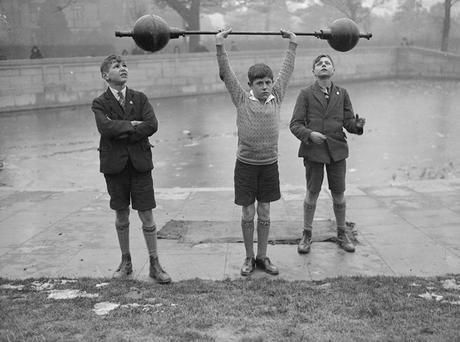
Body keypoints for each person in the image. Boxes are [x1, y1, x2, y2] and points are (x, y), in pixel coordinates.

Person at [216, 28, 297, 276]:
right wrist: (220, 45)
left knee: (265, 210)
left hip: (269, 165)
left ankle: (263, 256)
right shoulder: (241, 99)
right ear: (250, 85)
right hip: (246, 165)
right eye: (259, 83)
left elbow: (287, 70)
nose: (265, 86)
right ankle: (249, 258)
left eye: (268, 82)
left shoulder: (277, 96)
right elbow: (226, 73)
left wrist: (292, 44)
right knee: (248, 211)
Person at [91, 54, 171, 284]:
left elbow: (152, 125)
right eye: (117, 66)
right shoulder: (99, 103)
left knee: (147, 214)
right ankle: (126, 262)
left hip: (140, 165)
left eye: (124, 65)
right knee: (121, 213)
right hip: (114, 166)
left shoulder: (140, 98)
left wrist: (122, 130)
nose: (123, 68)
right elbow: (105, 128)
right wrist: (132, 126)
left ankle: (155, 264)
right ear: (106, 76)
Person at [289, 54, 366, 254]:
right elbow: (295, 125)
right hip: (313, 151)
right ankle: (306, 234)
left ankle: (341, 233)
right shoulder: (305, 94)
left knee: (339, 194)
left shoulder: (343, 93)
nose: (323, 65)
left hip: (337, 151)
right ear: (314, 71)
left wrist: (356, 126)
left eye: (327, 63)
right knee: (312, 192)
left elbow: (348, 123)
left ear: (333, 71)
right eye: (319, 64)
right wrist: (309, 134)